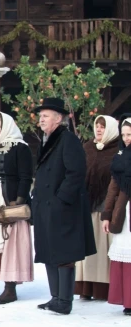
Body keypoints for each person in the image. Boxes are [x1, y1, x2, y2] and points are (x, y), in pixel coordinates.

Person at [32, 98, 96, 315]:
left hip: (62, 207)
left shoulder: (68, 140)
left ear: (58, 119)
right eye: (40, 116)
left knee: (63, 253)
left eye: (45, 116)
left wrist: (61, 200)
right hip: (45, 206)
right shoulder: (47, 139)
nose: (40, 120)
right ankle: (55, 297)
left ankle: (65, 301)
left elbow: (76, 172)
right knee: (49, 251)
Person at [0, 112, 34, 304]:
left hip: (12, 199)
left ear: (7, 127)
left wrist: (18, 200)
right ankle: (2, 282)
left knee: (11, 242)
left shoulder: (21, 148)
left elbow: (26, 176)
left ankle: (10, 288)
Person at [76, 115, 120, 300]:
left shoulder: (117, 151)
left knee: (102, 249)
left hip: (105, 206)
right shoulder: (87, 148)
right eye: (97, 126)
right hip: (86, 204)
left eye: (103, 126)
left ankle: (102, 288)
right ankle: (85, 288)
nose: (99, 129)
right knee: (87, 249)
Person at [101, 117, 131, 315]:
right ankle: (128, 301)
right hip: (123, 212)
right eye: (124, 134)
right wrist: (107, 214)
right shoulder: (119, 157)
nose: (126, 138)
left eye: (130, 134)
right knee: (126, 256)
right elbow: (113, 188)